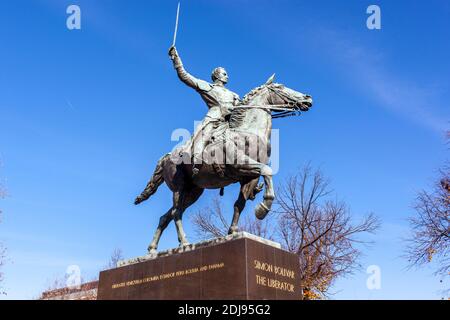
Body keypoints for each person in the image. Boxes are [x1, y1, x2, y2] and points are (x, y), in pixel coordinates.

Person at [168, 46, 241, 176]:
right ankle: (196, 161)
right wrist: (176, 59)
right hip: (213, 120)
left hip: (229, 123)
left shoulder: (234, 94)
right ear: (217, 76)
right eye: (224, 74)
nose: (227, 76)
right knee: (204, 137)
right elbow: (185, 76)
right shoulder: (207, 87)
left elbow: (240, 111)